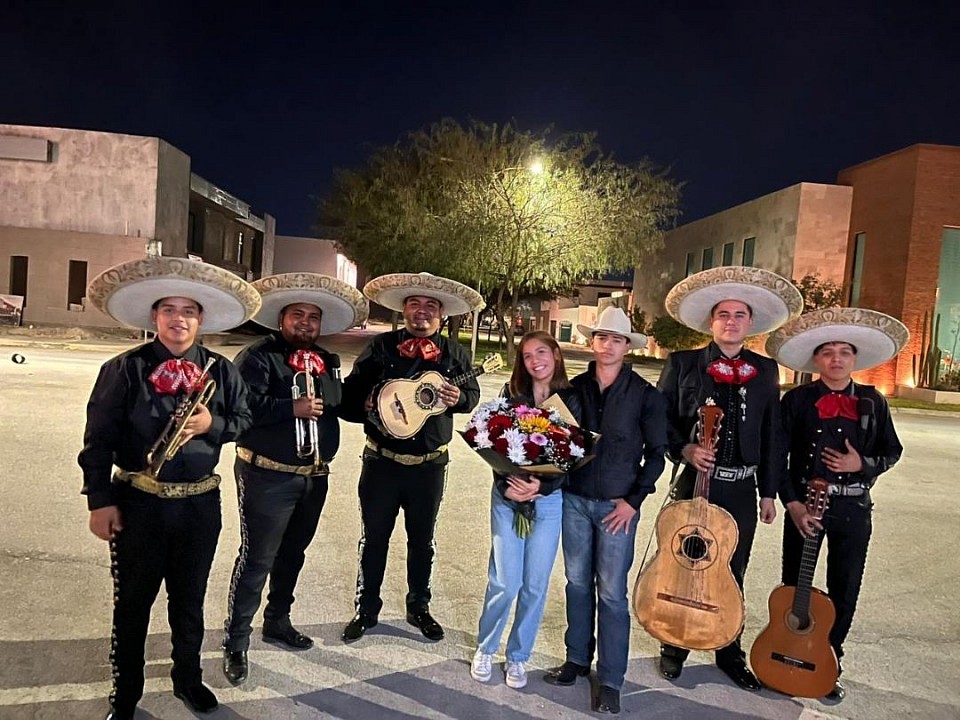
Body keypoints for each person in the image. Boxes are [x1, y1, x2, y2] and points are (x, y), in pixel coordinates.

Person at [79, 257, 259, 720]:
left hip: (199, 504)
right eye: (169, 310)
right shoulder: (124, 368)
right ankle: (126, 693)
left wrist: (212, 423)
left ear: (200, 320)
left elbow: (244, 420)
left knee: (189, 601)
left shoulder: (221, 370)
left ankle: (188, 679)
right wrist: (99, 501)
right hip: (138, 503)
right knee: (132, 604)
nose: (179, 319)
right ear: (155, 317)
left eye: (189, 311)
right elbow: (97, 441)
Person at [654, 266, 803, 691]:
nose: (731, 321)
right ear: (711, 321)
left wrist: (769, 492)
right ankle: (675, 645)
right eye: (724, 314)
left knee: (733, 569)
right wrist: (684, 449)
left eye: (739, 315)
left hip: (741, 487)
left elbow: (773, 434)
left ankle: (728, 650)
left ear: (750, 323)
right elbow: (659, 420)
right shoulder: (683, 364)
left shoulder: (766, 370)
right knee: (685, 562)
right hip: (695, 483)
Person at [221, 273, 368, 685]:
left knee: (293, 554)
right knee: (257, 558)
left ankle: (277, 620)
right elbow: (241, 409)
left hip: (314, 475)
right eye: (297, 315)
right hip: (266, 474)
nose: (305, 323)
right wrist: (292, 407)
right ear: (281, 318)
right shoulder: (257, 356)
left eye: (313, 317)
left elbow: (340, 406)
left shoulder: (327, 360)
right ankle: (236, 641)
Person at [766, 307, 907, 701]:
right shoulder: (797, 400)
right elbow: (777, 455)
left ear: (854, 359)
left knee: (845, 588)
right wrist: (792, 504)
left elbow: (892, 451)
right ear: (816, 359)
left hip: (853, 510)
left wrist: (861, 464)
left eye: (844, 352)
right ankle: (788, 652)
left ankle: (829, 660)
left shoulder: (873, 401)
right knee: (796, 585)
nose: (836, 359)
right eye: (828, 352)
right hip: (805, 509)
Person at [339, 272, 484, 643]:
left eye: (430, 305)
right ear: (403, 310)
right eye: (414, 304)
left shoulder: (456, 353)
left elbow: (472, 395)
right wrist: (369, 405)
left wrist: (459, 399)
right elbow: (349, 397)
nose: (422, 311)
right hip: (381, 462)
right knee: (374, 539)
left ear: (442, 314)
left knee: (422, 541)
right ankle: (366, 608)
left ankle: (419, 607)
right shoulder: (381, 347)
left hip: (429, 465)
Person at [544, 306, 668, 715]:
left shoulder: (645, 395)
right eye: (602, 338)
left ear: (627, 346)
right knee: (577, 583)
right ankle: (577, 659)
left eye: (617, 340)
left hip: (619, 506)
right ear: (593, 342)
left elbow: (657, 454)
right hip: (576, 501)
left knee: (612, 593)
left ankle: (612, 678)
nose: (609, 345)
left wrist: (634, 501)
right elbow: (557, 440)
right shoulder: (575, 389)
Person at [470, 331, 581, 690]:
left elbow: (575, 456)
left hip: (547, 501)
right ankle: (486, 648)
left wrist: (540, 487)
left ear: (556, 355)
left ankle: (518, 656)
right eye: (528, 355)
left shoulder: (572, 399)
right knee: (505, 581)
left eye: (541, 352)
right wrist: (510, 485)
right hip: (508, 497)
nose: (535, 361)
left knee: (535, 585)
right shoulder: (511, 395)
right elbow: (495, 446)